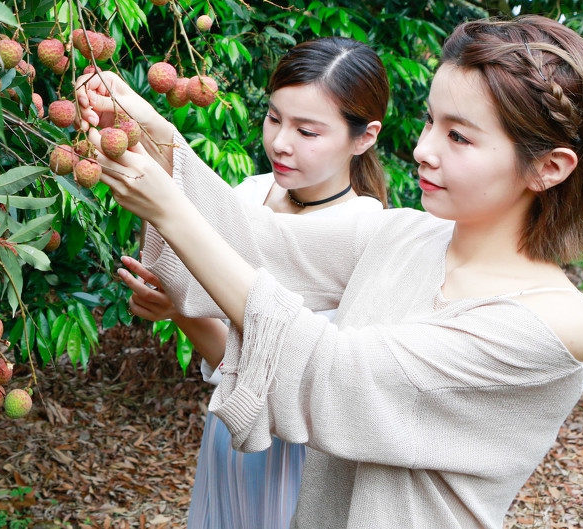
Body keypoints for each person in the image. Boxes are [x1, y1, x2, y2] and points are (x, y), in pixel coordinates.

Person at [76, 16, 583, 529]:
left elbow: (335, 376)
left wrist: (168, 206)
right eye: (430, 121)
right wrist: (148, 129)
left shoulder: (552, 322)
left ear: (549, 167)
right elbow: (246, 236)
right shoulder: (402, 235)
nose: (423, 150)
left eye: (459, 137)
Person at [117, 37, 389, 529]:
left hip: (302, 454)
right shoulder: (249, 195)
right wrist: (176, 307)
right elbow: (232, 359)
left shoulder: (367, 233)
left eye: (307, 131)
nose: (281, 142)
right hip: (233, 430)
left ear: (365, 137)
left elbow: (304, 377)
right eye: (274, 118)